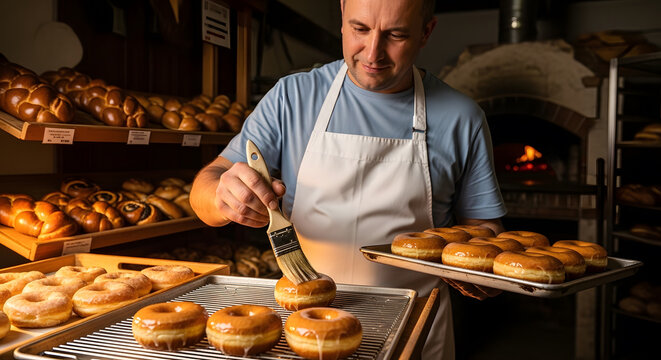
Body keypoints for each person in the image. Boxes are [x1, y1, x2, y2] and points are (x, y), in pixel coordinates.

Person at [190, 0, 507, 358]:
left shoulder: (461, 117)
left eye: (396, 35)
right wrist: (222, 195)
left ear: (426, 32)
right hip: (306, 325)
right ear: (342, 15)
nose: (373, 52)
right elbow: (204, 189)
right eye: (360, 29)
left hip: (414, 332)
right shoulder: (292, 98)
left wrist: (485, 275)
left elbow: (483, 230)